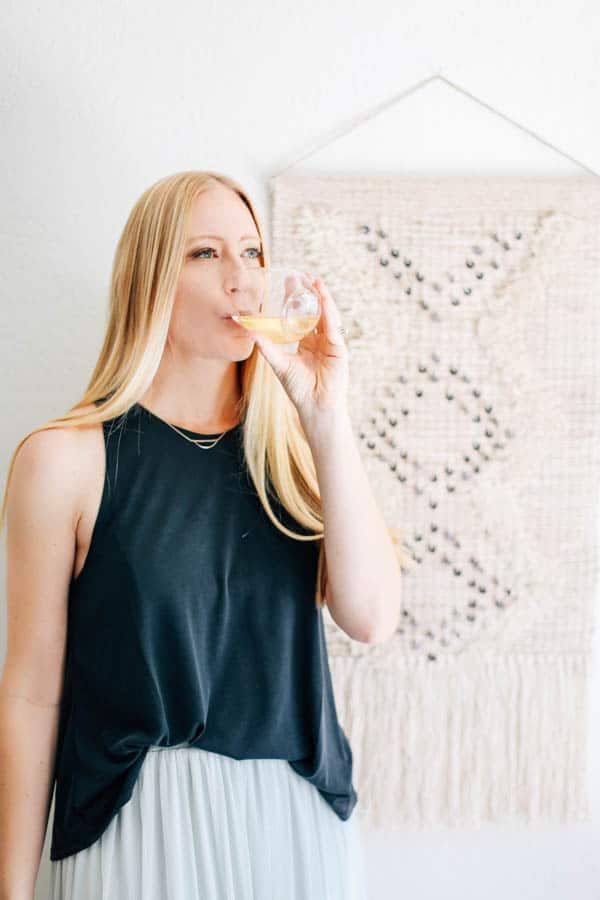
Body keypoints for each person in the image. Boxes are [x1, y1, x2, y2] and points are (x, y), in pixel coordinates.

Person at [0, 170, 406, 899]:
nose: (243, 280)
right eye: (207, 254)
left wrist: (326, 412)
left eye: (252, 253)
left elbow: (372, 618)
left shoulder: (295, 459)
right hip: (139, 830)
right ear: (149, 277)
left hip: (296, 824)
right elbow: (32, 692)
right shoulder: (66, 462)